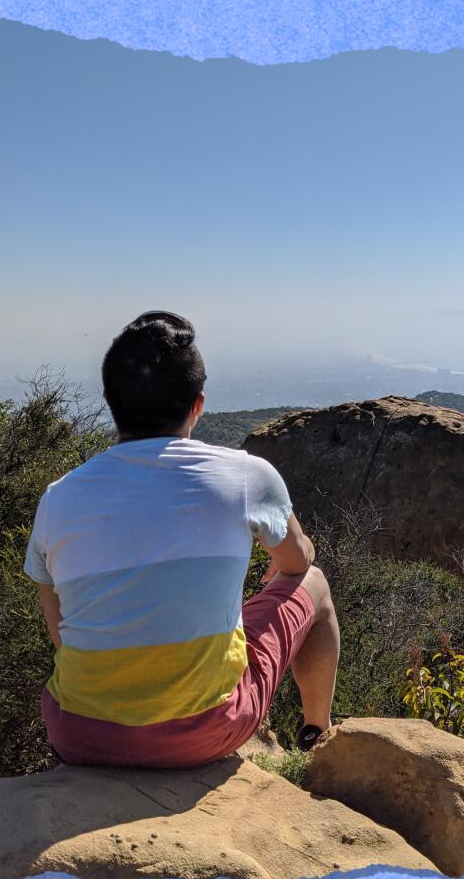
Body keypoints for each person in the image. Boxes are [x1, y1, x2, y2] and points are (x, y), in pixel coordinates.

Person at [23, 310, 340, 767]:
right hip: (205, 732)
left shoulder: (60, 496)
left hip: (79, 733)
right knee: (315, 582)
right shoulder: (248, 475)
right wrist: (290, 555)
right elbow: (296, 563)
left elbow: (58, 623)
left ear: (110, 398)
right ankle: (318, 735)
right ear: (198, 404)